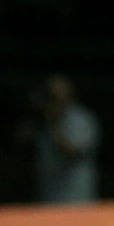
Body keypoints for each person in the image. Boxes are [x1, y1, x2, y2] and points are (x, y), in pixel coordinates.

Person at [15, 72, 102, 204]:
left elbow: (70, 154)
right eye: (49, 95)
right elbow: (20, 141)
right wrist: (31, 112)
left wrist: (53, 124)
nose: (53, 101)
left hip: (77, 200)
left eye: (56, 96)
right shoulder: (41, 120)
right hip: (48, 198)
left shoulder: (81, 119)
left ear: (69, 95)